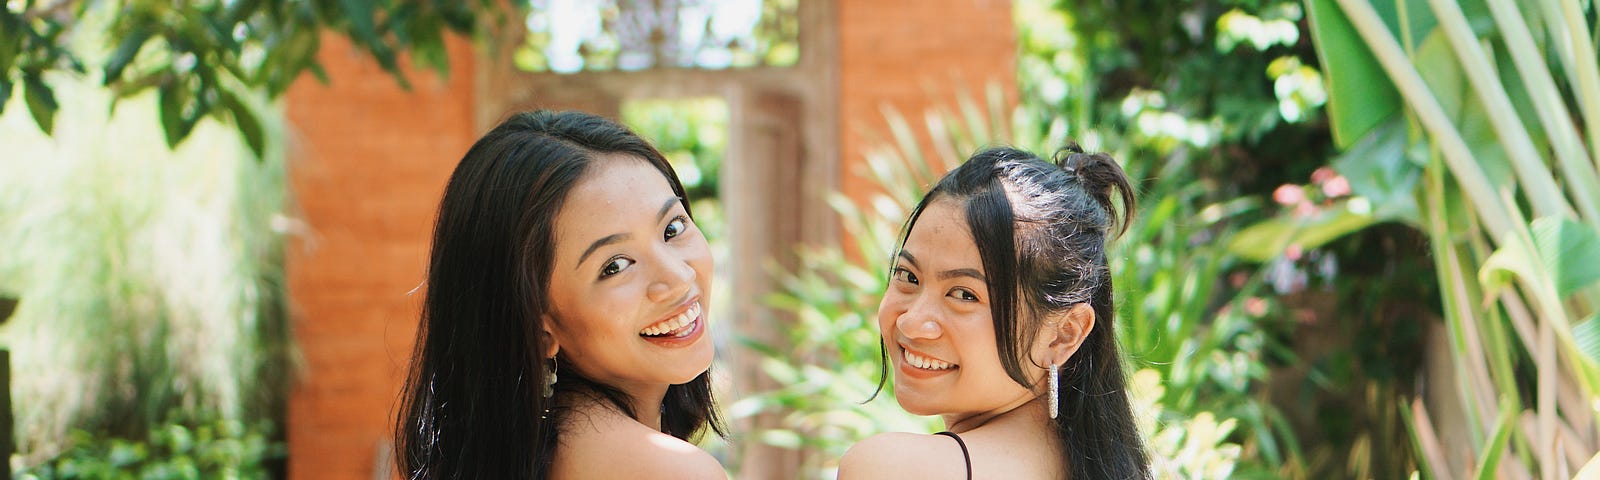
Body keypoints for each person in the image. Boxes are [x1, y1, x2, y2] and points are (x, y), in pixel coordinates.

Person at [394, 110, 726, 479]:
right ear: (539, 327)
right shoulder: (669, 470)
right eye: (615, 265)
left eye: (672, 228)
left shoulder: (527, 456)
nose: (679, 277)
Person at [839, 145, 1150, 479]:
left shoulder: (891, 469)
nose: (912, 322)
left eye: (964, 294)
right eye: (908, 276)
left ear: (1065, 333)